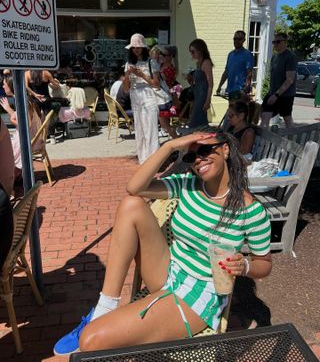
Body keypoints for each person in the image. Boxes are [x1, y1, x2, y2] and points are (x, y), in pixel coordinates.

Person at [53, 130, 272, 356]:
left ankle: (104, 330)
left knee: (92, 340)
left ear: (225, 149)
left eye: (206, 150)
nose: (198, 159)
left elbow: (264, 264)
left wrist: (244, 266)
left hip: (200, 292)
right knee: (132, 204)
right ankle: (104, 307)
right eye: (191, 156)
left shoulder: (251, 211)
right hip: (169, 271)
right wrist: (170, 147)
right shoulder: (188, 184)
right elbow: (135, 188)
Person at [123, 34, 160, 164]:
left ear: (144, 48)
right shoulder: (129, 64)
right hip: (135, 97)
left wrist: (142, 75)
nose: (136, 50)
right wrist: (127, 75)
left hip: (149, 95)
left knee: (151, 128)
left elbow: (156, 84)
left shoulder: (151, 62)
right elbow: (126, 88)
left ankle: (154, 160)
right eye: (134, 47)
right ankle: (143, 158)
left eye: (139, 47)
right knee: (139, 128)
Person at [0, 75, 43, 180]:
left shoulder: (23, 101)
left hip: (28, 141)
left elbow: (26, 124)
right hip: (29, 138)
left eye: (4, 84)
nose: (3, 86)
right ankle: (15, 174)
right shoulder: (22, 98)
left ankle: (9, 179)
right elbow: (21, 117)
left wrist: (12, 120)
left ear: (11, 86)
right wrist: (9, 109)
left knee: (3, 150)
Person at [260, 33, 297, 129]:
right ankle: (262, 142)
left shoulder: (290, 56)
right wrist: (272, 93)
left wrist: (276, 95)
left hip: (285, 95)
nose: (275, 44)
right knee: (264, 116)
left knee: (287, 119)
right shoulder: (274, 58)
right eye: (274, 42)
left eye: (278, 42)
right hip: (272, 93)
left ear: (285, 42)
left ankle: (292, 142)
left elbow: (290, 79)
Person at [216, 31, 254, 101]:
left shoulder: (247, 54)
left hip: (240, 91)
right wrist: (219, 86)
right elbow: (226, 72)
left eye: (239, 39)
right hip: (231, 90)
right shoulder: (230, 54)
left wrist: (246, 89)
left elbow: (249, 73)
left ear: (243, 40)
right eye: (235, 39)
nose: (236, 41)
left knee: (236, 111)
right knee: (232, 111)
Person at [188, 39, 214, 128]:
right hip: (198, 95)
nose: (191, 54)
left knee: (195, 122)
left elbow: (210, 84)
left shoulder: (206, 63)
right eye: (190, 52)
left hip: (202, 97)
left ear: (200, 50)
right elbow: (198, 81)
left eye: (193, 51)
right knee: (199, 122)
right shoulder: (199, 63)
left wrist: (208, 100)